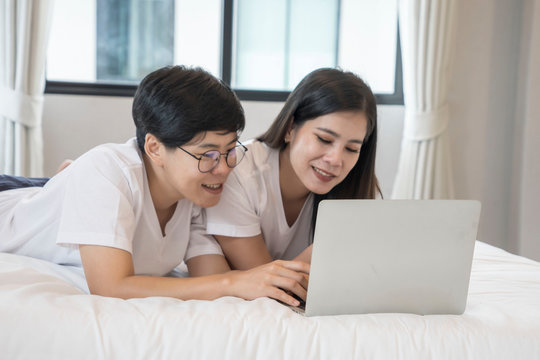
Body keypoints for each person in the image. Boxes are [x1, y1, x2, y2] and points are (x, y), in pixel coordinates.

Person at [0, 65, 308, 306]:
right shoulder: (108, 170)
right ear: (155, 147)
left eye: (230, 151)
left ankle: (60, 181)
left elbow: (211, 279)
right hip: (8, 200)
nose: (224, 168)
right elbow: (111, 286)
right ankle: (62, 181)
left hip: (61, 189)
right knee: (90, 173)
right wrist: (236, 282)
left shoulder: (199, 192)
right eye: (208, 155)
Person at [205, 67, 381, 270]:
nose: (336, 160)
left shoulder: (356, 186)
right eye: (324, 139)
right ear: (290, 128)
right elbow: (263, 283)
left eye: (351, 148)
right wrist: (326, 248)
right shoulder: (237, 172)